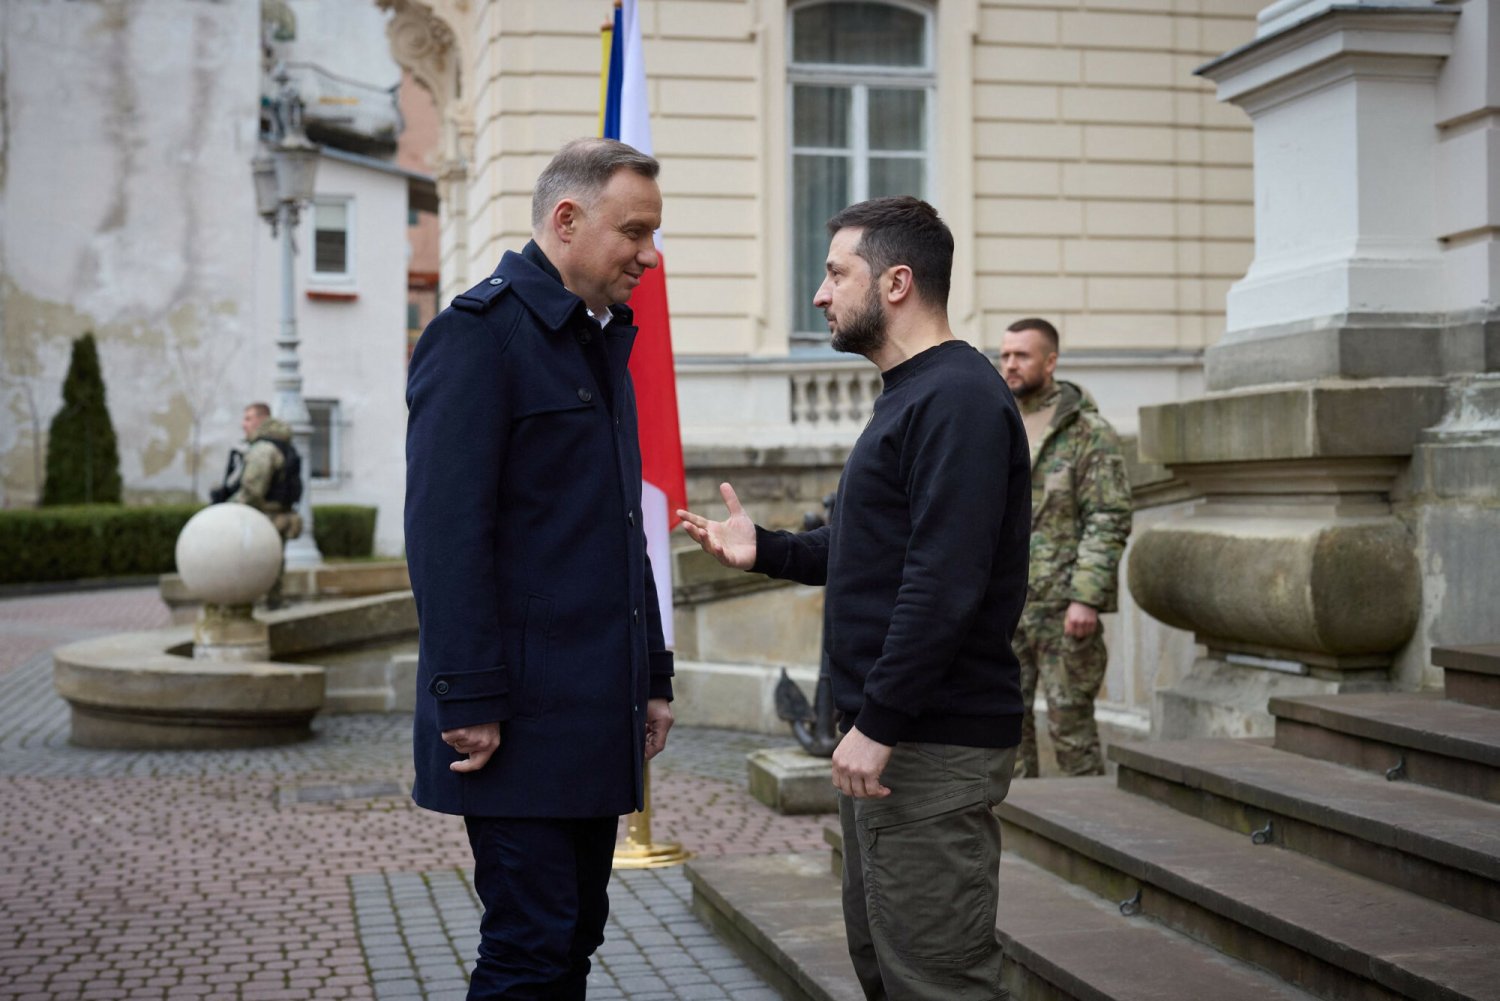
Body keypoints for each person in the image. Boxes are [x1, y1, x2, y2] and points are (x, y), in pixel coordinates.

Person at [678, 196, 1030, 1000]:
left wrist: (879, 722)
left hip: (926, 744)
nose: (820, 293)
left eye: (837, 272)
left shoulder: (959, 398)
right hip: (897, 742)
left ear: (897, 281)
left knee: (936, 981)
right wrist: (764, 547)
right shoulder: (912, 394)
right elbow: (873, 552)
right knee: (888, 970)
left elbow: (943, 580)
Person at [403, 137, 675, 1001]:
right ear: (566, 219)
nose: (648, 253)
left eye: (652, 233)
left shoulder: (600, 340)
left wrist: (655, 675)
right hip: (516, 717)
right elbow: (445, 536)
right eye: (633, 231)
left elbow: (622, 531)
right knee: (528, 946)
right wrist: (470, 698)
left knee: (573, 936)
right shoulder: (476, 337)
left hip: (597, 709)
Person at [999, 318, 1132, 778]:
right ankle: (1017, 837)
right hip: (1004, 608)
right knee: (1003, 736)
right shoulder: (998, 423)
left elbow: (1108, 516)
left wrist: (1086, 598)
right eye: (1005, 355)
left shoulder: (1087, 431)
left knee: (1071, 732)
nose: (1010, 365)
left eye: (1022, 356)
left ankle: (1090, 835)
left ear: (1051, 362)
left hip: (1064, 611)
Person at [219, 402, 303, 607]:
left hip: (261, 517)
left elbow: (253, 489)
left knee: (252, 563)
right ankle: (273, 602)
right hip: (277, 517)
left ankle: (243, 607)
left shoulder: (263, 448)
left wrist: (226, 509)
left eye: (248, 418)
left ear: (262, 420)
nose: (243, 424)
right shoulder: (280, 444)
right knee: (274, 564)